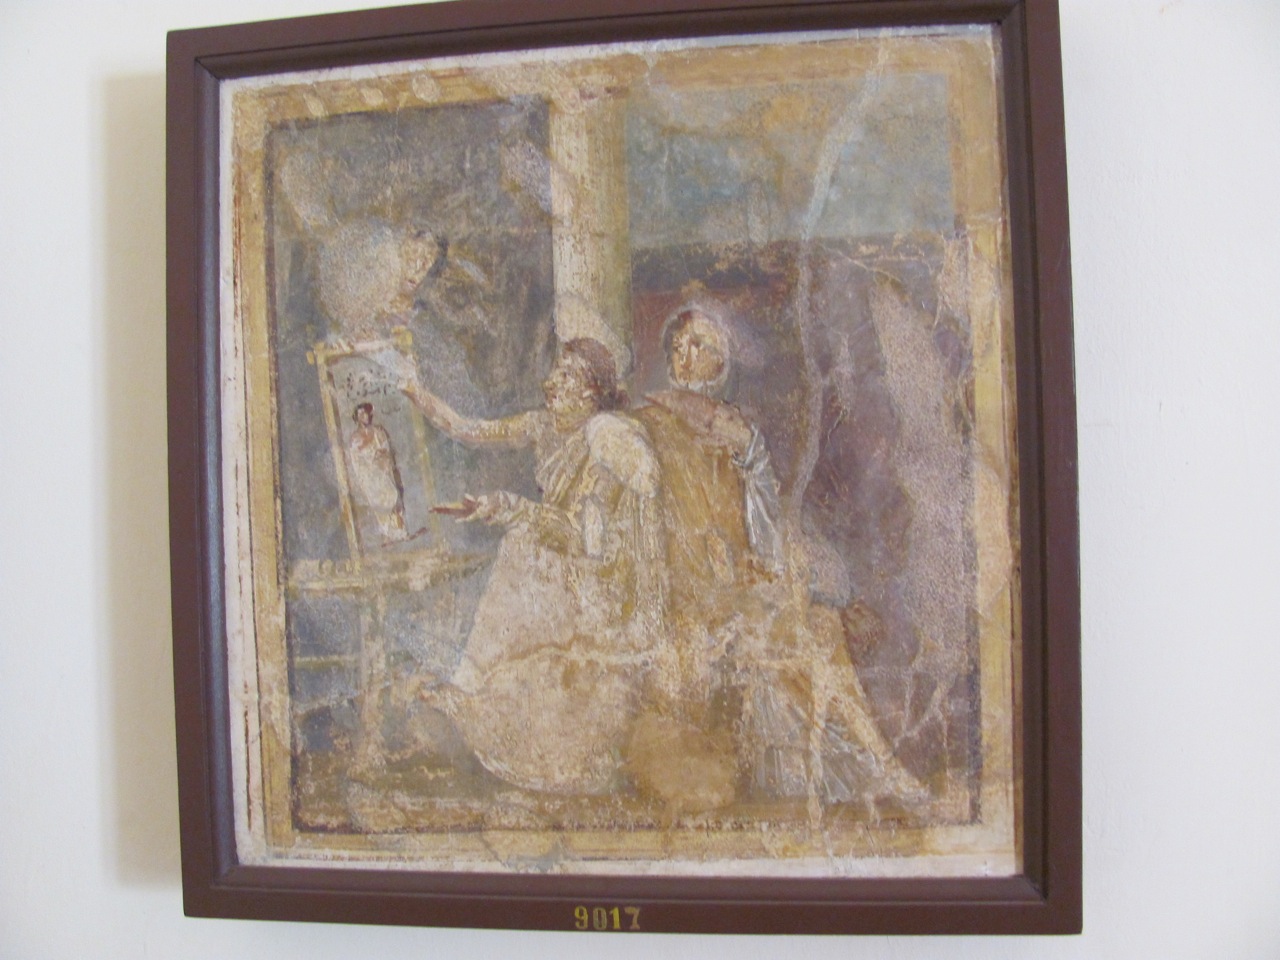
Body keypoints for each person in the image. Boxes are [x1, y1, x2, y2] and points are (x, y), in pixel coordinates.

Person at [635, 306, 923, 812]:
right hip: (686, 593)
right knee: (796, 630)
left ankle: (877, 763)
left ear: (723, 360)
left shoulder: (739, 432)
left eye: (700, 345)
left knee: (823, 626)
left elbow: (765, 530)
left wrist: (751, 457)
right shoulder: (650, 424)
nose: (685, 356)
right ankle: (881, 766)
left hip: (738, 586)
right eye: (678, 347)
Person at [393, 337, 670, 796]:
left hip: (596, 579)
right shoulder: (542, 426)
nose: (551, 382)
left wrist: (503, 506)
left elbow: (580, 537)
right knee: (522, 547)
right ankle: (470, 686)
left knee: (521, 547)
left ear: (590, 392)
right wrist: (415, 392)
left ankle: (472, 684)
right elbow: (469, 429)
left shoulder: (603, 442)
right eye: (556, 370)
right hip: (556, 560)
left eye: (567, 375)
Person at [346, 402, 408, 544]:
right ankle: (388, 533)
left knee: (393, 496)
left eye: (366, 413)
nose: (365, 416)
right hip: (370, 476)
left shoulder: (378, 431)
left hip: (383, 472)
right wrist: (370, 462)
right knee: (379, 504)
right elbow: (356, 461)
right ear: (357, 417)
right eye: (361, 414)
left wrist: (381, 458)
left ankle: (400, 530)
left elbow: (386, 450)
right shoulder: (355, 438)